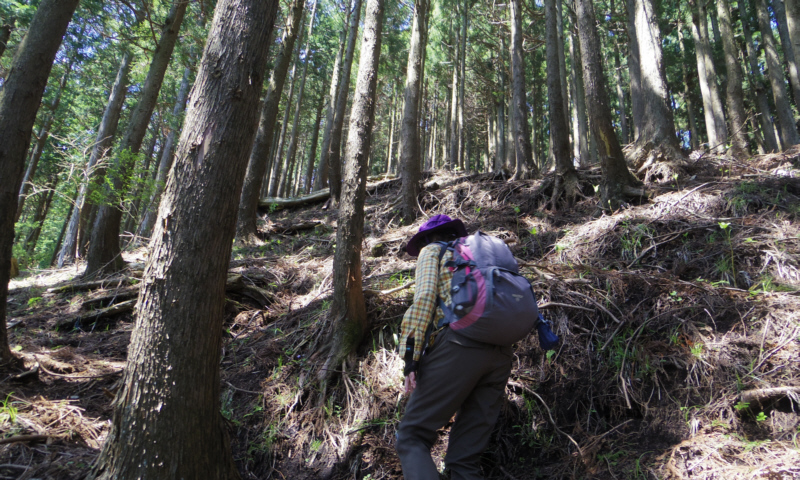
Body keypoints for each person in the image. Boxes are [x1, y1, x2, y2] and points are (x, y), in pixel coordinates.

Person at [396, 215, 513, 480]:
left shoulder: (432, 251)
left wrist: (411, 359)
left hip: (458, 346)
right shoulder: (482, 256)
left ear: (426, 239)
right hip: (501, 353)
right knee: (464, 461)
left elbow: (425, 298)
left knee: (411, 437)